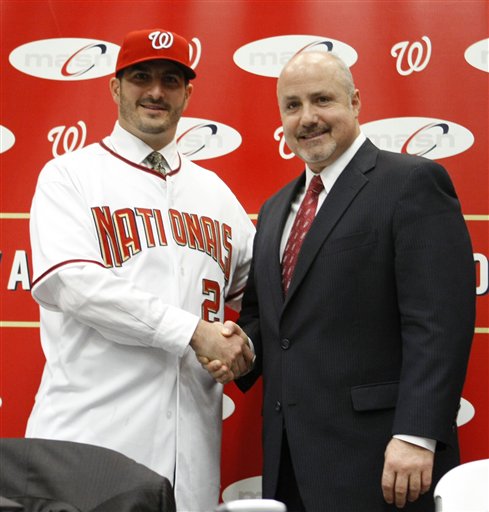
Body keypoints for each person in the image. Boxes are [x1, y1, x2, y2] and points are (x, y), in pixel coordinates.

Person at [203, 51, 476, 511]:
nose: (307, 117)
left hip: (383, 460)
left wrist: (416, 435)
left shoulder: (411, 183)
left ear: (355, 102)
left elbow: (439, 323)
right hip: (290, 462)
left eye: (322, 100)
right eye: (292, 106)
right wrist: (240, 349)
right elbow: (268, 319)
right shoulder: (274, 210)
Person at [26, 28, 255, 512]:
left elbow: (267, 295)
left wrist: (243, 346)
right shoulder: (70, 175)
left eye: (171, 80)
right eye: (141, 77)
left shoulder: (216, 194)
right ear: (115, 87)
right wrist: (193, 332)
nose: (155, 91)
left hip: (191, 460)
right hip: (88, 446)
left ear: (187, 94)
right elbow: (75, 284)